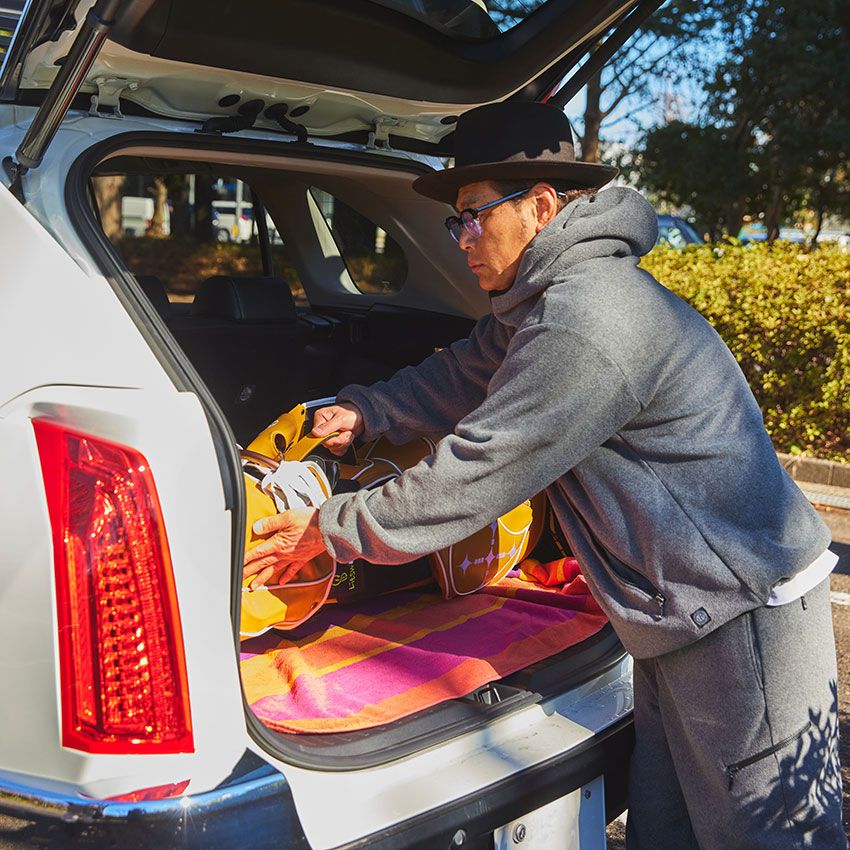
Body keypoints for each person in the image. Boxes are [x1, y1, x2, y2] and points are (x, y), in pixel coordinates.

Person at [243, 101, 846, 849]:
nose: (462, 239)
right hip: (674, 607)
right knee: (668, 823)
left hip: (740, 605)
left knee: (772, 837)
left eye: (473, 217)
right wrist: (368, 412)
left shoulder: (586, 319)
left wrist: (331, 531)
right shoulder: (538, 302)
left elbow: (481, 468)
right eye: (455, 222)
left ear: (539, 206)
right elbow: (469, 371)